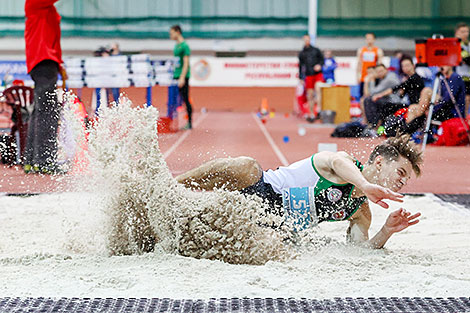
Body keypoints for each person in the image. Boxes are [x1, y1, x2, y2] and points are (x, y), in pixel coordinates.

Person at [176, 134, 422, 248]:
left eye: (407, 180)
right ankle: (172, 186)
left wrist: (386, 231)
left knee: (275, 247)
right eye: (401, 172)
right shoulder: (342, 163)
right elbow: (336, 161)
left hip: (274, 228)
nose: (402, 182)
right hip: (260, 190)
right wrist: (366, 186)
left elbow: (360, 251)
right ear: (379, 162)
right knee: (247, 166)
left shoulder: (361, 212)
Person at [23, 0, 67, 174]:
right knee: (48, 110)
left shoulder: (45, 8)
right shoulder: (35, 3)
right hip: (43, 61)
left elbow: (52, 38)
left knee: (40, 111)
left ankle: (32, 160)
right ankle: (45, 161)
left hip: (46, 61)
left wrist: (59, 63)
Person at [372, 57, 431, 134]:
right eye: (403, 66)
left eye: (407, 65)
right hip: (409, 104)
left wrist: (379, 95)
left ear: (413, 66)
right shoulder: (408, 78)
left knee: (387, 107)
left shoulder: (415, 77)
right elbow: (401, 93)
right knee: (386, 106)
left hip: (416, 105)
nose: (405, 68)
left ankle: (378, 128)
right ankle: (380, 127)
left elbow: (395, 88)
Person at [170, 25, 192, 130]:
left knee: (185, 98)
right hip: (176, 74)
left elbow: (186, 63)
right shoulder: (176, 45)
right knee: (175, 99)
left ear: (177, 32)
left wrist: (182, 77)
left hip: (183, 76)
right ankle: (173, 121)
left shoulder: (184, 46)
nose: (170, 35)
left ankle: (190, 122)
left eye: (172, 33)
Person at [298, 34, 324, 122]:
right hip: (309, 75)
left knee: (318, 88)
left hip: (317, 74)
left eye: (308, 40)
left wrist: (319, 65)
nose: (307, 41)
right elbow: (301, 66)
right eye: (305, 40)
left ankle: (319, 110)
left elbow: (322, 60)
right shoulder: (302, 53)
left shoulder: (316, 50)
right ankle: (312, 114)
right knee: (310, 95)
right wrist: (301, 77)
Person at [357, 33, 384, 98]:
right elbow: (359, 64)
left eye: (370, 38)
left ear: (374, 40)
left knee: (373, 95)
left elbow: (380, 64)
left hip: (373, 77)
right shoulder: (361, 50)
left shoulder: (378, 50)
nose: (369, 40)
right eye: (367, 39)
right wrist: (358, 75)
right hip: (364, 76)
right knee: (362, 96)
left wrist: (377, 75)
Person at [455, 22, 470, 116]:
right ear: (457, 32)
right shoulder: (456, 45)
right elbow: (466, 59)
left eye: (467, 31)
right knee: (465, 99)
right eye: (462, 31)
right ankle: (462, 119)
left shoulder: (468, 44)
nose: (465, 33)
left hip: (468, 77)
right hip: (460, 77)